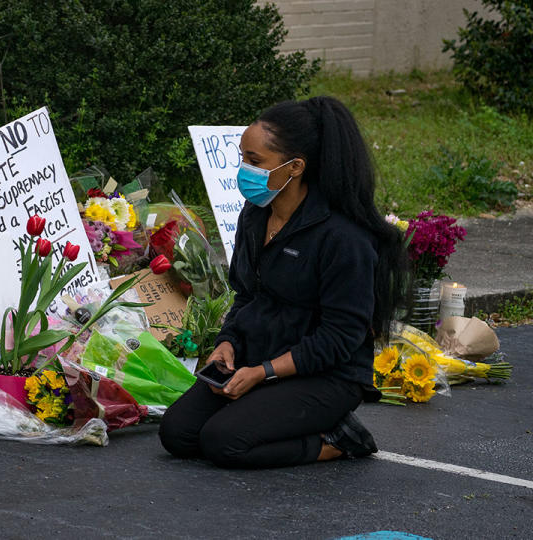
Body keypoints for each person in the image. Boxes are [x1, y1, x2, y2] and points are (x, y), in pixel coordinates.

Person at [159, 96, 407, 468]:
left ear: (295, 167)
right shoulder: (256, 213)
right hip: (257, 357)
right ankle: (268, 409)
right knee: (177, 433)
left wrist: (263, 373)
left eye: (255, 161)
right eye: (242, 157)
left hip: (325, 376)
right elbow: (246, 294)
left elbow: (341, 337)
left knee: (223, 442)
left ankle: (338, 440)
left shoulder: (343, 237)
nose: (244, 169)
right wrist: (227, 342)